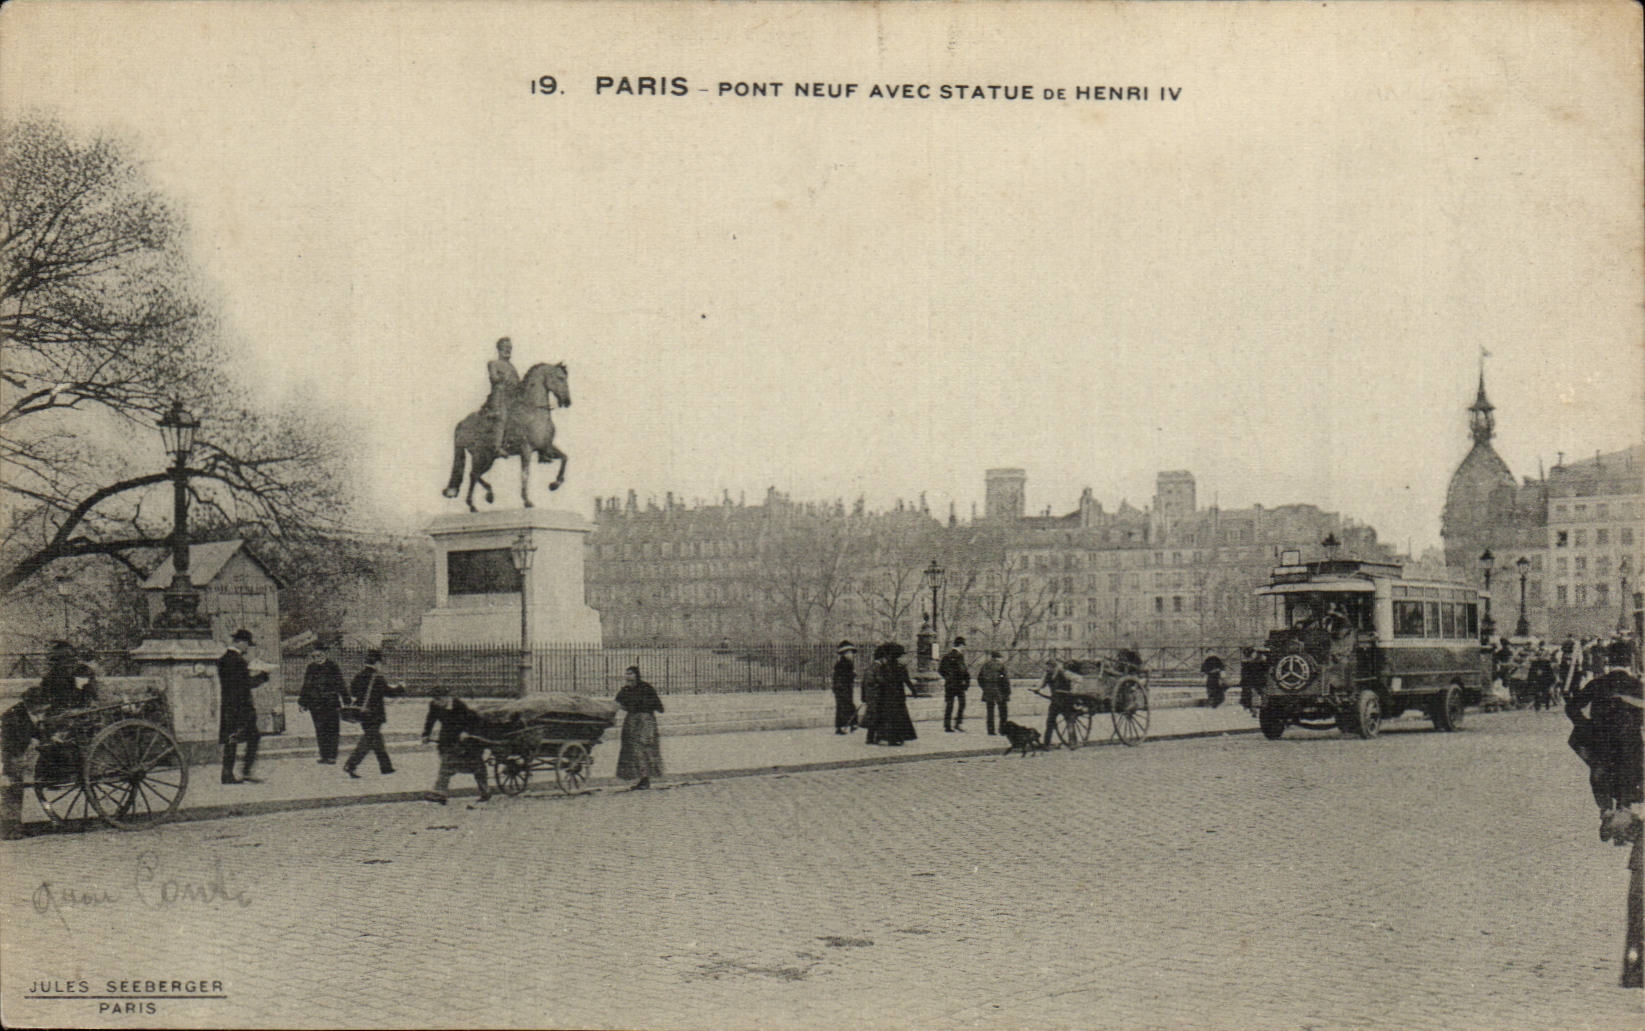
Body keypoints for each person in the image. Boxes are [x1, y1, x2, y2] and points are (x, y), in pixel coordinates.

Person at [1564, 639, 1643, 988]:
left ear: (1609, 660)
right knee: (1629, 776)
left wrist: (1587, 728)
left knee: (1599, 774)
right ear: (1630, 659)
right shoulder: (1638, 686)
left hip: (1602, 744)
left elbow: (1572, 707)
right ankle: (1623, 808)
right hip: (1631, 748)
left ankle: (1606, 811)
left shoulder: (1598, 684)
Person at [2, 642, 95, 839]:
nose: (55, 664)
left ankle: (11, 826)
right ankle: (10, 827)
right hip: (17, 747)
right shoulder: (52, 679)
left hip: (66, 719)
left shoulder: (77, 674)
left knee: (12, 782)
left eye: (56, 660)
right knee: (11, 782)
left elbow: (86, 699)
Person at [420, 687, 491, 804]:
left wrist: (466, 731)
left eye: (439, 699)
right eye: (435, 700)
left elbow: (472, 720)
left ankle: (485, 790)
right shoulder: (434, 705)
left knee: (476, 765)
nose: (437, 702)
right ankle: (440, 792)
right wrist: (426, 734)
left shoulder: (458, 705)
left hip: (466, 737)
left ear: (446, 697)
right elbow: (430, 719)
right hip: (447, 736)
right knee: (446, 762)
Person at [217, 629, 269, 785]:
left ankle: (227, 773)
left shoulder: (223, 659)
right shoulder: (238, 661)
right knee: (253, 737)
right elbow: (246, 685)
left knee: (231, 739)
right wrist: (263, 675)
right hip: (241, 707)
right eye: (247, 644)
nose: (248, 648)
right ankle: (245, 771)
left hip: (228, 706)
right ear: (241, 642)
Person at [343, 649, 402, 778]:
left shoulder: (359, 676)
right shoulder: (377, 677)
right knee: (369, 740)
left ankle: (386, 767)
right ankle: (350, 765)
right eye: (380, 663)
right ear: (376, 663)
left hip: (362, 713)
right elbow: (389, 692)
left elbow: (353, 691)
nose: (381, 666)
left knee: (376, 739)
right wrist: (401, 688)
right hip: (375, 715)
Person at [615, 665, 665, 789]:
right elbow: (617, 703)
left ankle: (645, 779)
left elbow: (658, 705)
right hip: (632, 722)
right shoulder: (626, 690)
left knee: (644, 748)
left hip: (645, 721)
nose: (628, 676)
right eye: (627, 674)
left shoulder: (645, 688)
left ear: (637, 675)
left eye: (630, 673)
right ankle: (640, 778)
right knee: (632, 749)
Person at [297, 642, 347, 764]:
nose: (317, 658)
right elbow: (306, 685)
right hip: (315, 705)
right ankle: (324, 755)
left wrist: (347, 700)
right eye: (314, 656)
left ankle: (332, 756)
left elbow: (340, 684)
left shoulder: (333, 666)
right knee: (320, 730)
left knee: (332, 730)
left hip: (331, 703)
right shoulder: (311, 668)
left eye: (319, 655)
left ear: (325, 654)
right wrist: (302, 702)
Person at [872, 643, 917, 746]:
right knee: (898, 717)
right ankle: (898, 737)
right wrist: (914, 691)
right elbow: (907, 680)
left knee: (887, 717)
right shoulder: (900, 667)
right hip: (897, 696)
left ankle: (884, 737)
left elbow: (881, 680)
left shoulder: (885, 667)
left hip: (887, 696)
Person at [484, 336, 520, 453]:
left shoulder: (512, 367)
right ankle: (497, 446)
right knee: (502, 417)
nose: (508, 350)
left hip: (513, 397)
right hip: (500, 397)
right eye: (505, 347)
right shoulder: (493, 363)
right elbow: (493, 378)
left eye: (510, 348)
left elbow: (518, 383)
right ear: (499, 349)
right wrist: (503, 378)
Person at [1041, 657, 1078, 747]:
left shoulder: (1063, 672)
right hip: (1055, 702)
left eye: (1049, 667)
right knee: (1050, 722)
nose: (1047, 668)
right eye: (1047, 667)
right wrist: (1036, 689)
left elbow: (1077, 679)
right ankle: (1046, 743)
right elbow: (1042, 684)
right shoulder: (1048, 674)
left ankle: (1073, 743)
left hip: (1065, 701)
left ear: (1053, 667)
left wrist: (1073, 690)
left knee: (1069, 721)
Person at [939, 636, 970, 732]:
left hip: (950, 684)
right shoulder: (959, 656)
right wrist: (966, 681)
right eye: (963, 645)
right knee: (962, 704)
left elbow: (941, 669)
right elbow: (962, 670)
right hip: (959, 684)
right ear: (961, 645)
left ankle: (947, 725)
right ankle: (958, 723)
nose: (964, 648)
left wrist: (948, 678)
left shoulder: (947, 656)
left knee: (949, 704)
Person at [976, 650, 1011, 735]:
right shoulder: (1001, 666)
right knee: (1003, 711)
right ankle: (1002, 729)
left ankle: (990, 730)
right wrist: (1007, 691)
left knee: (990, 711)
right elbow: (1005, 680)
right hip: (999, 690)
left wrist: (984, 688)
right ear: (998, 658)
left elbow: (980, 678)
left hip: (988, 690)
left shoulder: (985, 665)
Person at [831, 640, 858, 734]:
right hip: (843, 688)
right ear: (844, 653)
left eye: (851, 653)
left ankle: (846, 725)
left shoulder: (845, 662)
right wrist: (853, 674)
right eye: (849, 653)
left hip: (843, 688)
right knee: (845, 706)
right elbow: (842, 677)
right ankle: (847, 725)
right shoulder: (843, 663)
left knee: (844, 706)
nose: (851, 655)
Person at [1238, 646, 1267, 711]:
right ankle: (1256, 706)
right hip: (1256, 679)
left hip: (1257, 678)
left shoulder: (1251, 660)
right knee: (1259, 692)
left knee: (1260, 692)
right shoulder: (1258, 659)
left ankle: (1259, 706)